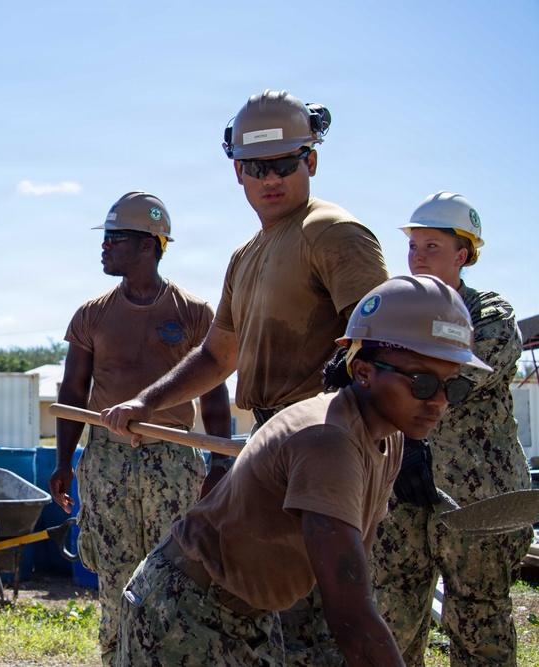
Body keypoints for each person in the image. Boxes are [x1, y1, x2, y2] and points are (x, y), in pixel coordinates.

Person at [102, 89, 390, 664]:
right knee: (275, 621)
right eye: (257, 167)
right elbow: (216, 357)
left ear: (311, 159)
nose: (271, 177)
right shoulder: (248, 254)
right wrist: (147, 403)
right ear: (237, 170)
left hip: (323, 458)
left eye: (285, 163)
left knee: (325, 630)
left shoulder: (334, 234)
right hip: (270, 455)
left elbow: (381, 352)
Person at [116, 274, 492, 667]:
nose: (440, 402)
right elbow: (354, 621)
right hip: (186, 610)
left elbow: (354, 585)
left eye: (454, 386)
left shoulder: (389, 437)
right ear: (363, 371)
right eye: (424, 383)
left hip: (247, 613)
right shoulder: (327, 440)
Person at [48, 192, 232, 666]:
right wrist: (64, 463)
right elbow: (72, 394)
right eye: (105, 238)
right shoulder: (92, 314)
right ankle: (117, 658)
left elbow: (214, 395)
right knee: (114, 578)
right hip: (108, 462)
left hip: (173, 463)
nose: (104, 247)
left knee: (174, 576)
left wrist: (219, 464)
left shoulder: (192, 313)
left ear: (149, 244)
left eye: (115, 238)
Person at [371, 192, 533, 666]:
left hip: (476, 494)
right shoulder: (393, 315)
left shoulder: (489, 314)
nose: (416, 257)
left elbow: (469, 375)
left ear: (462, 255)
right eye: (413, 246)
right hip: (402, 486)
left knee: (478, 620)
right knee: (392, 611)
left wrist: (394, 375)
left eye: (431, 247)